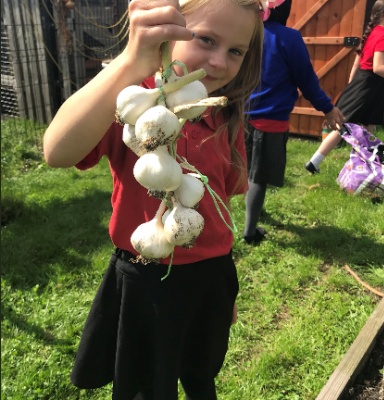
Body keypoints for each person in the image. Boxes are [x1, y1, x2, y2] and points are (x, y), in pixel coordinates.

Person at [43, 0, 264, 399]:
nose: (219, 61)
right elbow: (57, 152)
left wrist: (223, 289)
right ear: (168, 32)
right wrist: (131, 61)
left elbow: (223, 205)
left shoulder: (221, 113)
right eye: (206, 39)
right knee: (146, 388)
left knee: (201, 374)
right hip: (146, 281)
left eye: (235, 50)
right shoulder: (134, 107)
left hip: (212, 276)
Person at [243, 0, 344, 244]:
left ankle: (255, 212)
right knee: (259, 176)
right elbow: (306, 80)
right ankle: (249, 232)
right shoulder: (288, 38)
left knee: (248, 168)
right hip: (270, 119)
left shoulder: (246, 32)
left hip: (242, 116)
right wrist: (328, 108)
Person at [305, 0, 384, 174]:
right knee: (344, 126)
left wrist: (351, 85)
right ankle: (314, 162)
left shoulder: (372, 32)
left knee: (369, 126)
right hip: (368, 85)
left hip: (367, 85)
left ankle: (363, 167)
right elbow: (378, 67)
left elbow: (357, 63)